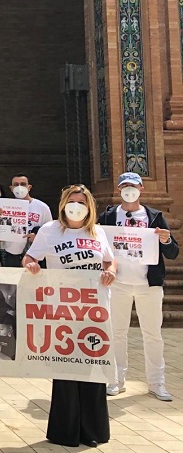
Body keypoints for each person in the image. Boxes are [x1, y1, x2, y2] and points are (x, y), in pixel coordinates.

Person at [24, 184, 115, 448]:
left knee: (93, 370)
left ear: (90, 207)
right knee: (65, 371)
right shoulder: (50, 230)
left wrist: (111, 271)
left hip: (93, 311)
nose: (77, 206)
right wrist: (31, 265)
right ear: (63, 203)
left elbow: (109, 260)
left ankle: (93, 431)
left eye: (82, 202)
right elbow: (30, 257)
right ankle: (65, 432)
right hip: (61, 311)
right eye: (72, 201)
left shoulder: (97, 231)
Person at [98, 172, 178, 401]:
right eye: (124, 186)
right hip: (119, 283)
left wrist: (166, 240)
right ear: (119, 189)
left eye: (133, 186)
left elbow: (172, 253)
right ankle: (116, 380)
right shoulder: (109, 217)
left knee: (153, 335)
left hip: (148, 285)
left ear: (141, 189)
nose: (128, 190)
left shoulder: (154, 216)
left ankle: (156, 383)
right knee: (117, 333)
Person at [0, 174, 53, 267]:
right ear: (11, 188)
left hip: (34, 255)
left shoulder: (42, 207)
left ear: (29, 187)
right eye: (16, 184)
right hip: (12, 254)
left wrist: (37, 237)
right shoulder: (5, 207)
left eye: (23, 184)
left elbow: (50, 233)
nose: (19, 187)